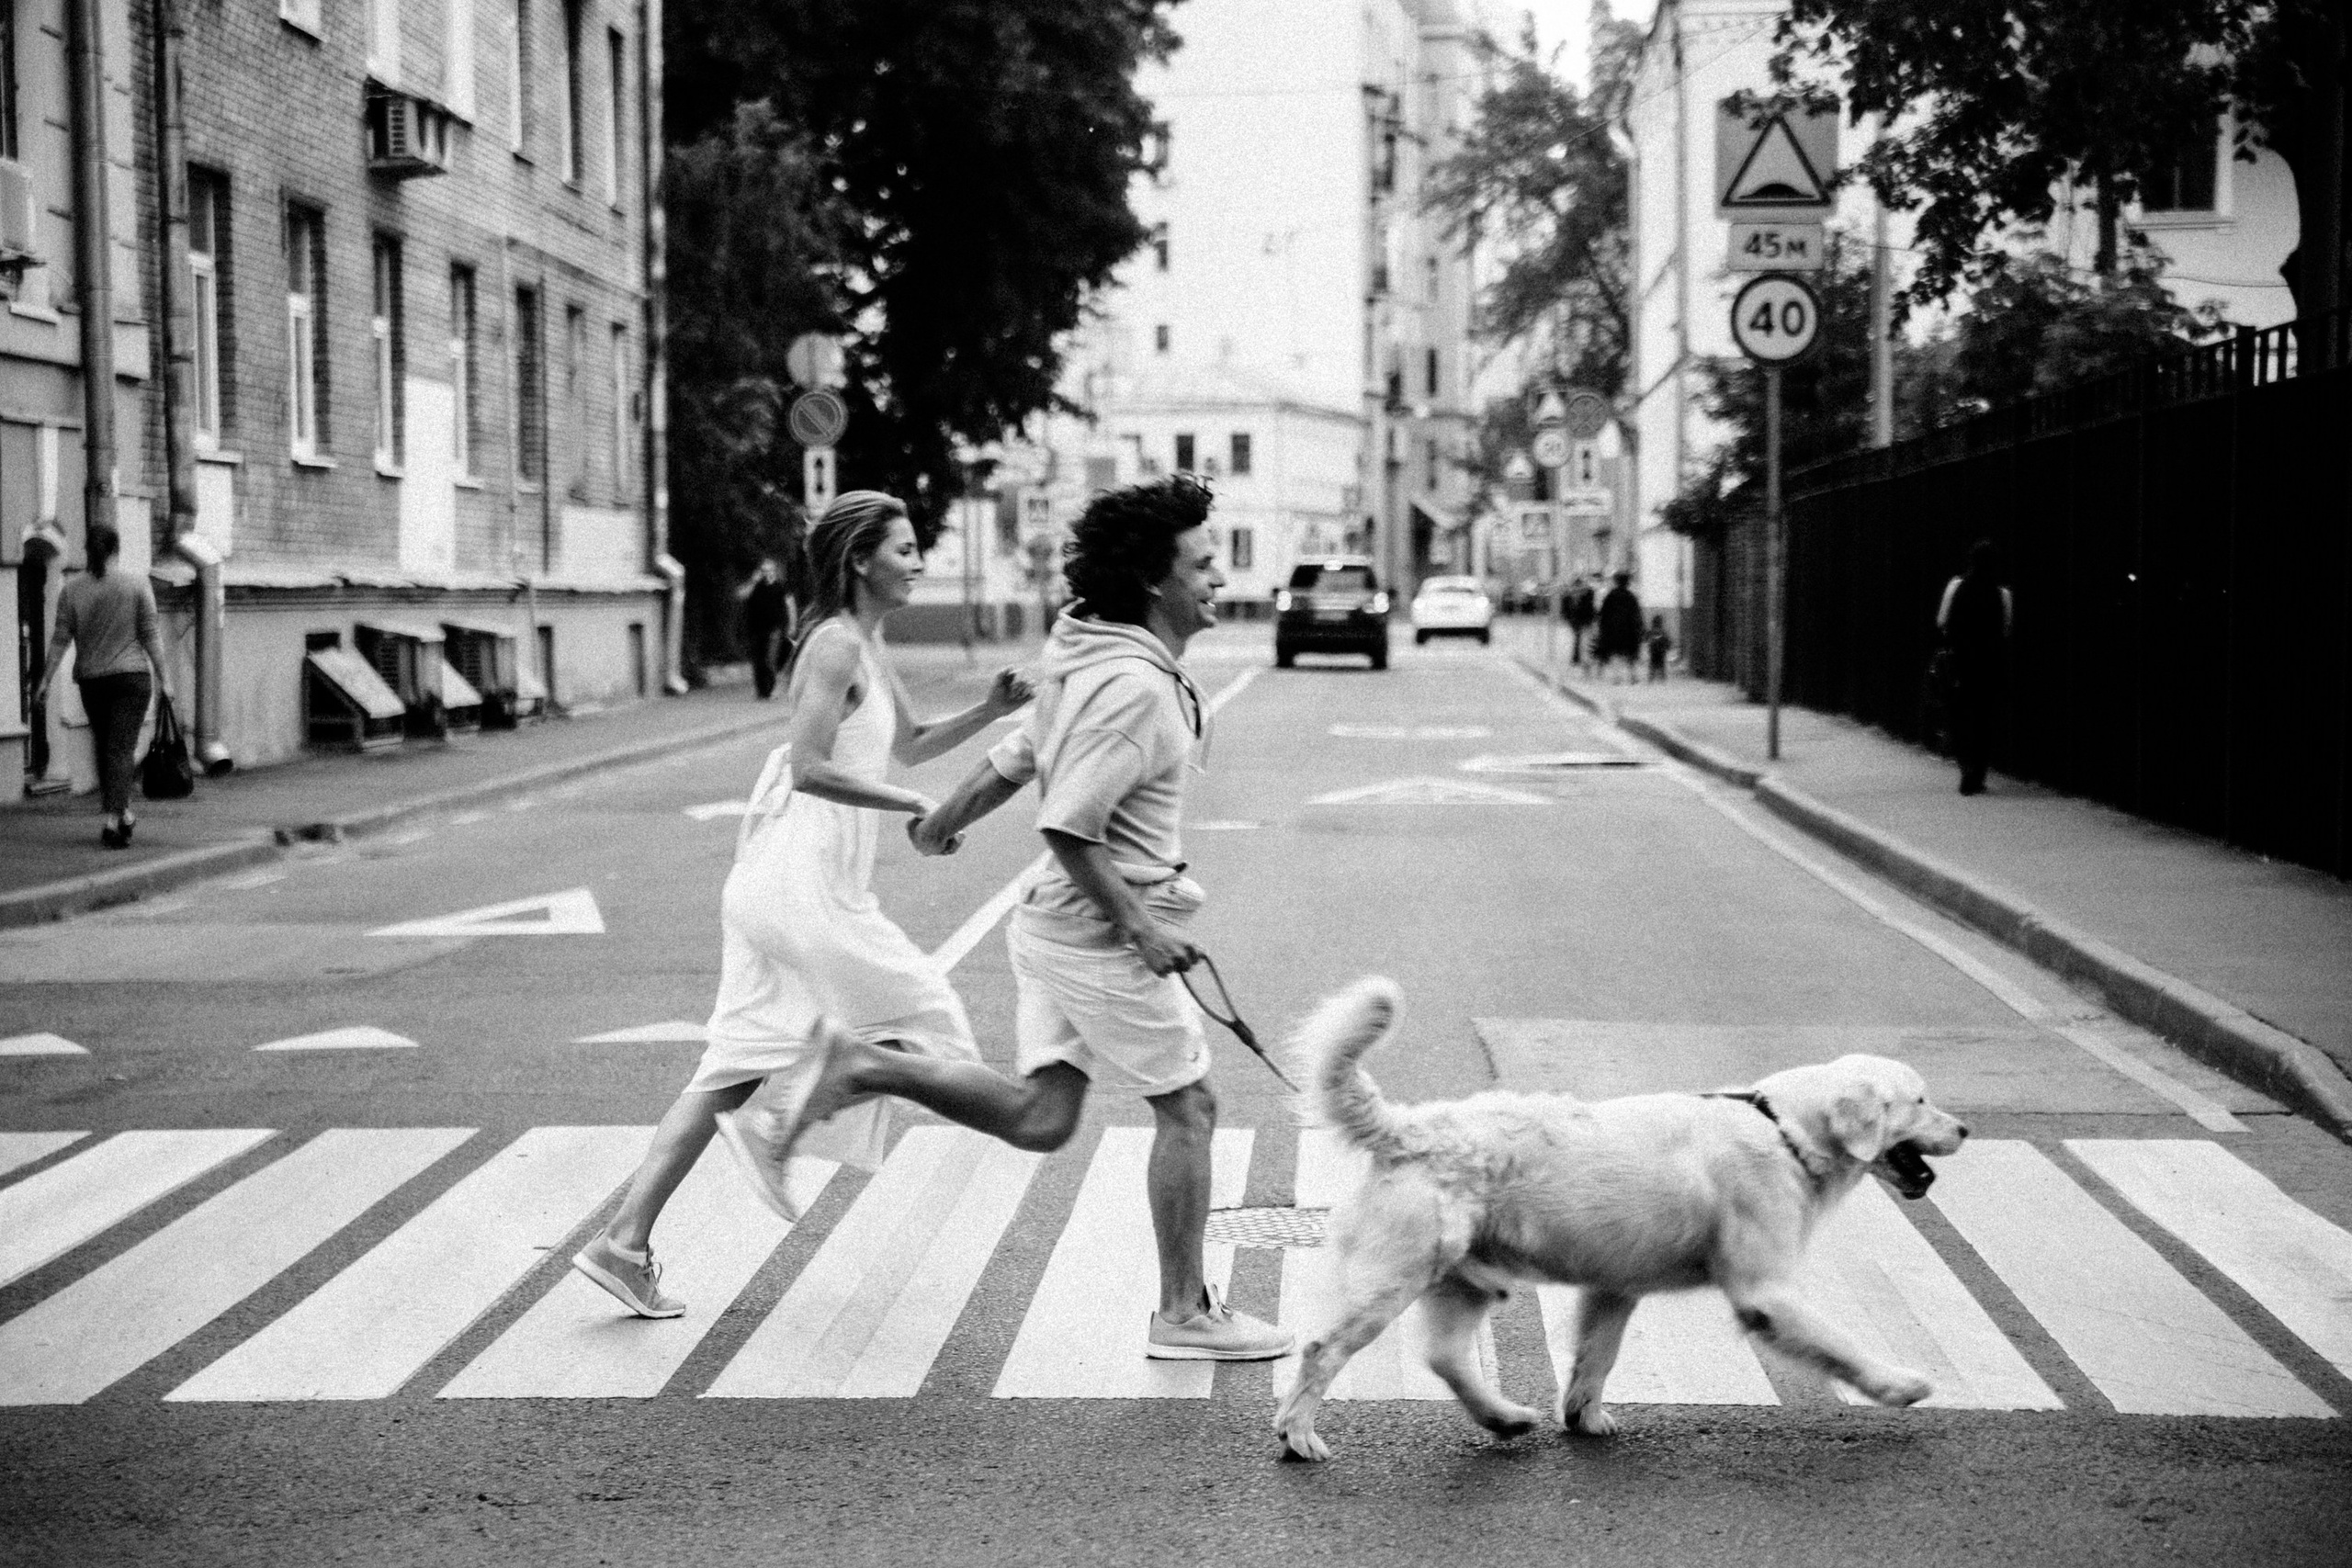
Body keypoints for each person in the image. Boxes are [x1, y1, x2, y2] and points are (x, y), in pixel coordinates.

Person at [720, 474, 1294, 1362]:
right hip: (1097, 936)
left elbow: (1024, 753)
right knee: (1191, 1106)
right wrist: (1143, 928)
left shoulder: (1093, 657)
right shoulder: (1132, 685)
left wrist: (945, 820)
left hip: (1053, 930)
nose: (1219, 578)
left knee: (1041, 1117)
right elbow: (1069, 823)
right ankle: (1184, 1313)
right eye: (1205, 564)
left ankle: (864, 1063)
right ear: (1155, 580)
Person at [570, 491, 1034, 1317]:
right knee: (929, 1024)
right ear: (861, 559)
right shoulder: (831, 644)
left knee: (727, 1066)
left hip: (785, 882)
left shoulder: (865, 644)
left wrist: (990, 712)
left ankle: (622, 1242)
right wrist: (909, 808)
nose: (919, 560)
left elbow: (913, 742)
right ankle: (780, 1121)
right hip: (804, 880)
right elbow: (808, 763)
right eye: (906, 547)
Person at [31, 523, 174, 850]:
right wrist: (166, 680)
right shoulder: (136, 584)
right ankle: (115, 819)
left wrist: (45, 680)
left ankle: (120, 814)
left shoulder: (72, 590)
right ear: (116, 550)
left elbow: (59, 640)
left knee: (105, 747)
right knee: (120, 749)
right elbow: (151, 636)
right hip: (131, 679)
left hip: (92, 682)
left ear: (89, 552)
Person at [1937, 539, 2013, 796]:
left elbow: (1942, 621)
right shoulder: (2002, 594)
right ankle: (1978, 772)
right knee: (1983, 720)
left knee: (1959, 716)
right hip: (1989, 665)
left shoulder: (1956, 586)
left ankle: (1966, 768)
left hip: (1959, 664)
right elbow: (2005, 629)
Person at [737, 557, 792, 700]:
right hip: (755, 628)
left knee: (770, 659)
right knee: (758, 660)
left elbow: (789, 604)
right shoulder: (755, 585)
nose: (766, 573)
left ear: (774, 571)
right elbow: (741, 595)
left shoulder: (780, 586)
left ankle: (770, 689)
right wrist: (754, 581)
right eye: (763, 570)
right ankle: (761, 690)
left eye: (769, 570)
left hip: (775, 628)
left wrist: (792, 624)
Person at [1594, 570, 1644, 684]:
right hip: (1629, 631)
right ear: (1628, 582)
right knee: (1630, 654)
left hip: (1613, 630)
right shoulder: (1631, 597)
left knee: (1615, 654)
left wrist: (1602, 629)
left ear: (1616, 582)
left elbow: (1602, 614)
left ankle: (1617, 677)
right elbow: (1637, 615)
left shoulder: (1610, 596)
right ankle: (1633, 676)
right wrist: (1639, 630)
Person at [1564, 577, 1598, 666]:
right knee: (1579, 639)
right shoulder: (1570, 595)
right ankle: (1578, 658)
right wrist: (1568, 619)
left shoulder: (1587, 594)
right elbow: (1566, 609)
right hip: (1576, 621)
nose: (1577, 588)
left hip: (1584, 620)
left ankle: (1579, 658)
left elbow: (1590, 608)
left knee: (1582, 640)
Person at [1645, 615, 1672, 682]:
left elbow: (1646, 638)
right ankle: (1661, 677)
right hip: (1661, 651)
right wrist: (1668, 647)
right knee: (1661, 664)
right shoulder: (1663, 632)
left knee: (1652, 663)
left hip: (1653, 651)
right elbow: (1667, 641)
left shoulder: (1651, 631)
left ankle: (1651, 676)